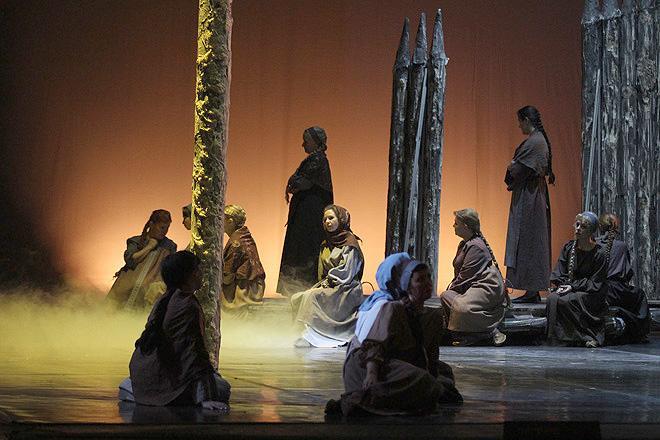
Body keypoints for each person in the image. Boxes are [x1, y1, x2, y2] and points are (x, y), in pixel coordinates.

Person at [326, 253, 462, 416]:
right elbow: (375, 344)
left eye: (428, 278)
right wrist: (371, 374)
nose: (427, 283)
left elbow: (430, 354)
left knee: (443, 373)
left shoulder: (432, 315)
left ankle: (421, 392)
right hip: (370, 364)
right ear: (407, 286)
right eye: (420, 280)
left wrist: (432, 374)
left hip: (397, 360)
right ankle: (357, 400)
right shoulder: (392, 307)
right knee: (425, 383)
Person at [118, 251, 231, 411]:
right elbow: (193, 350)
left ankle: (139, 389)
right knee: (223, 388)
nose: (201, 274)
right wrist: (204, 397)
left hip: (145, 371)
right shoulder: (187, 304)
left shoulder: (164, 299)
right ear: (189, 276)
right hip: (166, 375)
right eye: (197, 270)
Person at [290, 204, 364, 348]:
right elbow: (321, 272)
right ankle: (303, 332)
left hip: (346, 287)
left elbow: (347, 271)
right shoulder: (325, 244)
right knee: (297, 297)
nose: (327, 222)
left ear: (341, 219)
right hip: (330, 285)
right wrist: (323, 284)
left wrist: (328, 282)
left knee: (311, 296)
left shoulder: (350, 244)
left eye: (331, 218)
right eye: (325, 220)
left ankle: (311, 336)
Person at [504, 105, 553, 303]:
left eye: (520, 121)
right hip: (532, 194)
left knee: (529, 240)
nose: (519, 126)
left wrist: (511, 167)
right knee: (531, 240)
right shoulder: (538, 140)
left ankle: (532, 291)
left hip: (530, 197)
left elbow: (518, 170)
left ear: (526, 120)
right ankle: (531, 291)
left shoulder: (535, 142)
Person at [277, 126, 334, 296]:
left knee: (305, 250)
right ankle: (296, 289)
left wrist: (294, 182)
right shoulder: (313, 160)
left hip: (309, 218)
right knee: (300, 249)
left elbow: (300, 183)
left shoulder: (318, 161)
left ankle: (302, 288)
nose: (303, 144)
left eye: (306, 141)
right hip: (304, 215)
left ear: (316, 141)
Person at [440, 209, 508, 346]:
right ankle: (470, 334)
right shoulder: (465, 244)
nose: (453, 226)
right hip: (472, 286)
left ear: (465, 226)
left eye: (456, 223)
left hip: (486, 287)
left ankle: (488, 331)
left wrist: (454, 289)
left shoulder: (476, 246)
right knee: (446, 296)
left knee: (461, 308)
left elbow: (466, 275)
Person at [546, 212, 608, 348]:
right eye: (577, 225)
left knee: (569, 300)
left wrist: (573, 287)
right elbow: (559, 272)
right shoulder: (569, 248)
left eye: (583, 227)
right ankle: (558, 337)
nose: (578, 229)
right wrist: (563, 285)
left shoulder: (599, 253)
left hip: (590, 291)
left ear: (591, 231)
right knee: (553, 298)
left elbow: (596, 282)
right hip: (570, 287)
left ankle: (587, 336)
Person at [106, 210, 177, 310]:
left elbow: (169, 269)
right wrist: (149, 247)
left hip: (147, 292)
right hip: (126, 287)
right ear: (151, 224)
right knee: (114, 311)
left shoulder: (169, 246)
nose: (164, 231)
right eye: (161, 227)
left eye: (167, 228)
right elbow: (131, 260)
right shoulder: (136, 241)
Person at [597, 214, 650, 344]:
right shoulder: (621, 246)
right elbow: (626, 272)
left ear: (600, 227)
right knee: (640, 294)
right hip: (615, 290)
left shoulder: (595, 244)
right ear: (615, 227)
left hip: (597, 287)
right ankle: (640, 331)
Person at [221, 205, 266, 317]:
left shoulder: (236, 242)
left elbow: (227, 273)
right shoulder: (244, 236)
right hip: (253, 284)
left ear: (230, 221)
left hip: (244, 288)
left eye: (222, 219)